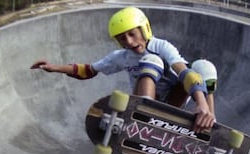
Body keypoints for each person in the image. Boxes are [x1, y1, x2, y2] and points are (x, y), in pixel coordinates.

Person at [30, 7, 217, 132]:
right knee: (150, 61)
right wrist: (55, 67)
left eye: (132, 34)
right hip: (145, 103)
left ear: (144, 29)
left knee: (203, 66)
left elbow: (185, 73)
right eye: (122, 38)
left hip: (173, 102)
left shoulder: (162, 46)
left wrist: (201, 104)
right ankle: (144, 113)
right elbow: (88, 70)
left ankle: (210, 120)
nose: (128, 41)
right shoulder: (121, 57)